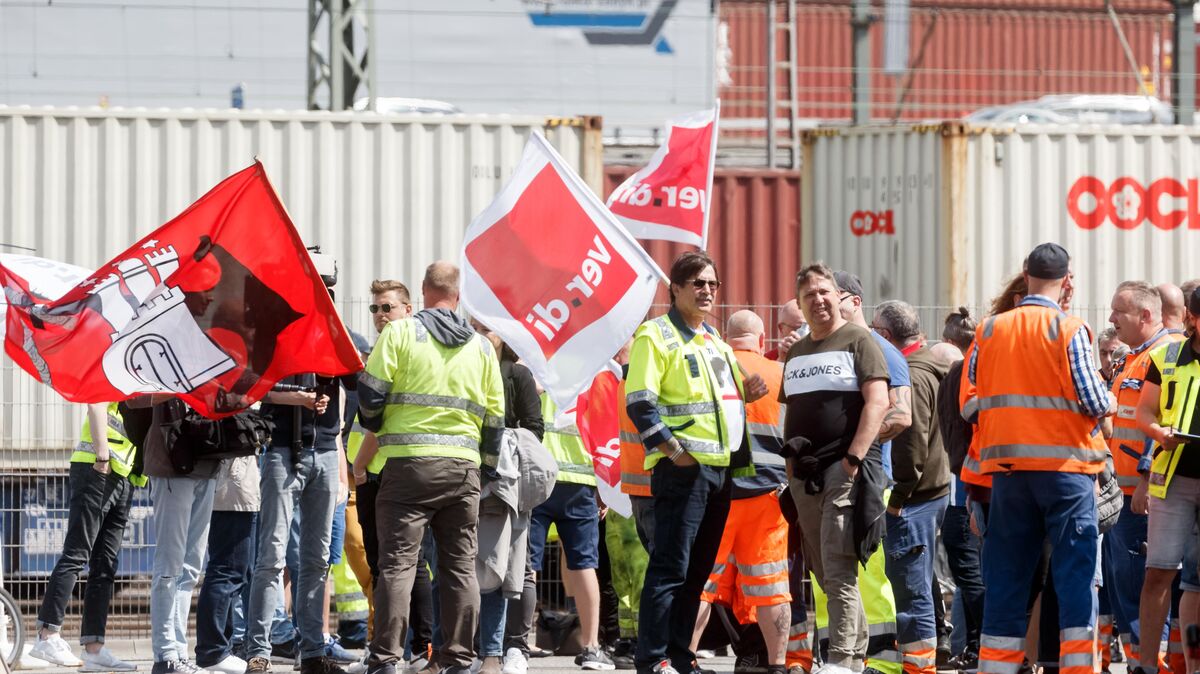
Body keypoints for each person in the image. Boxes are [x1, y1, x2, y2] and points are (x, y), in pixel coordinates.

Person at [966, 242, 1113, 674]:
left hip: (1008, 474)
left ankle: (997, 668)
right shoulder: (1069, 329)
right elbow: (1091, 398)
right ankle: (1076, 669)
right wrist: (1112, 400)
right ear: (1067, 281)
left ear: (1025, 275)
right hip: (1065, 471)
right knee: (1074, 577)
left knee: (1008, 578)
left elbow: (974, 392)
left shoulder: (989, 330)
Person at [358, 261, 505, 674]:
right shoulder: (480, 347)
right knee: (459, 566)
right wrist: (485, 471)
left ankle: (386, 658)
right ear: (458, 296)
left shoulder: (401, 333)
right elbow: (496, 420)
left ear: (422, 293)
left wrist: (375, 425)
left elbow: (370, 394)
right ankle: (459, 659)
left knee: (398, 566)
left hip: (408, 468)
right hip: (463, 471)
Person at [626, 251, 767, 674]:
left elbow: (721, 404)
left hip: (720, 472)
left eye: (713, 284)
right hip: (683, 471)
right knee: (670, 568)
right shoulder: (656, 336)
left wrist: (749, 394)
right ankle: (652, 659)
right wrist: (676, 454)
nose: (707, 291)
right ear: (676, 289)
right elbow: (640, 404)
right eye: (698, 283)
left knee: (698, 573)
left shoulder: (715, 341)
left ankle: (681, 656)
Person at [782, 263, 890, 674]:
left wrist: (852, 462)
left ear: (839, 297)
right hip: (803, 478)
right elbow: (792, 411)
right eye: (809, 295)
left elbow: (879, 404)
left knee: (839, 566)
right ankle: (856, 655)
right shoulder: (796, 352)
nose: (819, 300)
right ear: (800, 304)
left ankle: (842, 660)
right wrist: (791, 472)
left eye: (825, 291)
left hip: (841, 472)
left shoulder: (859, 340)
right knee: (824, 572)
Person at [690, 310, 792, 674]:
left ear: (726, 336)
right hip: (768, 496)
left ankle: (687, 659)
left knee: (702, 582)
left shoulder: (712, 369)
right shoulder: (780, 375)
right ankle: (777, 664)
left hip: (718, 494)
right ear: (762, 341)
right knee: (772, 585)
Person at [349, 280, 437, 672]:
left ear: (407, 309)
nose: (381, 315)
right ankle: (395, 647)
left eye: (387, 307)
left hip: (385, 469)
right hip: (370, 473)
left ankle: (417, 646)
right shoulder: (379, 352)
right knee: (387, 565)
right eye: (375, 309)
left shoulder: (403, 349)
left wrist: (359, 465)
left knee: (404, 564)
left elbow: (378, 422)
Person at [1100, 281, 1182, 670]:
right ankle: (1139, 660)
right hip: (1121, 489)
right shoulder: (1133, 356)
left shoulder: (1166, 354)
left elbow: (1165, 422)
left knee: (1139, 584)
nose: (1112, 319)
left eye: (1120, 311)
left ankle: (1150, 661)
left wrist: (1148, 481)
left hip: (1142, 492)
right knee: (1122, 584)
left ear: (1146, 315)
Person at [245, 363, 347, 674]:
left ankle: (313, 652)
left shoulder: (330, 339)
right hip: (282, 451)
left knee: (317, 559)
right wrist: (297, 399)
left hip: (326, 451)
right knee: (272, 557)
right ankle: (259, 652)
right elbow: (252, 388)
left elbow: (352, 382)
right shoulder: (278, 336)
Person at [28, 402, 144, 672]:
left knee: (105, 565)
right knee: (77, 553)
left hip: (125, 474)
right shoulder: (113, 364)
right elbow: (96, 405)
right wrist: (102, 455)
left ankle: (93, 649)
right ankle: (47, 635)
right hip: (98, 467)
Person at [872, 301, 951, 674]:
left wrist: (898, 496)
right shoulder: (933, 365)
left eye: (874, 330)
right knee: (919, 582)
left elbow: (911, 441)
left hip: (914, 497)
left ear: (886, 336)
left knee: (909, 588)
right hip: (932, 489)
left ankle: (918, 668)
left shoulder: (913, 374)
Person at [468, 320, 545, 674]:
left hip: (508, 485)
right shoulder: (467, 366)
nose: (482, 335)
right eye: (477, 327)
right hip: (470, 479)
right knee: (473, 567)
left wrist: (501, 445)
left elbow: (534, 430)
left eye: (489, 329)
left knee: (517, 568)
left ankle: (515, 646)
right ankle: (479, 648)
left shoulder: (516, 375)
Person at [1133, 284, 1200, 674]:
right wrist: (1160, 435)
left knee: (1196, 583)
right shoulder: (1167, 356)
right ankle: (1145, 665)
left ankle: (1192, 666)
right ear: (1192, 317)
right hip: (1174, 481)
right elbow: (1144, 412)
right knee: (1159, 571)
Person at [528, 391, 614, 670]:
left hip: (538, 478)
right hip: (580, 481)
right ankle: (591, 646)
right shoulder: (588, 381)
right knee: (585, 564)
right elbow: (604, 434)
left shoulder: (536, 374)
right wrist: (606, 487)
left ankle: (518, 641)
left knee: (527, 564)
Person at [933, 309, 984, 671]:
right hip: (987, 481)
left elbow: (955, 436)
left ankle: (980, 644)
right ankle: (975, 643)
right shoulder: (980, 371)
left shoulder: (958, 375)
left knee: (968, 567)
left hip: (966, 486)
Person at [196, 455, 260, 674]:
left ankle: (220, 650)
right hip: (232, 486)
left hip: (237, 486)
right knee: (226, 571)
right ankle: (213, 652)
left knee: (234, 573)